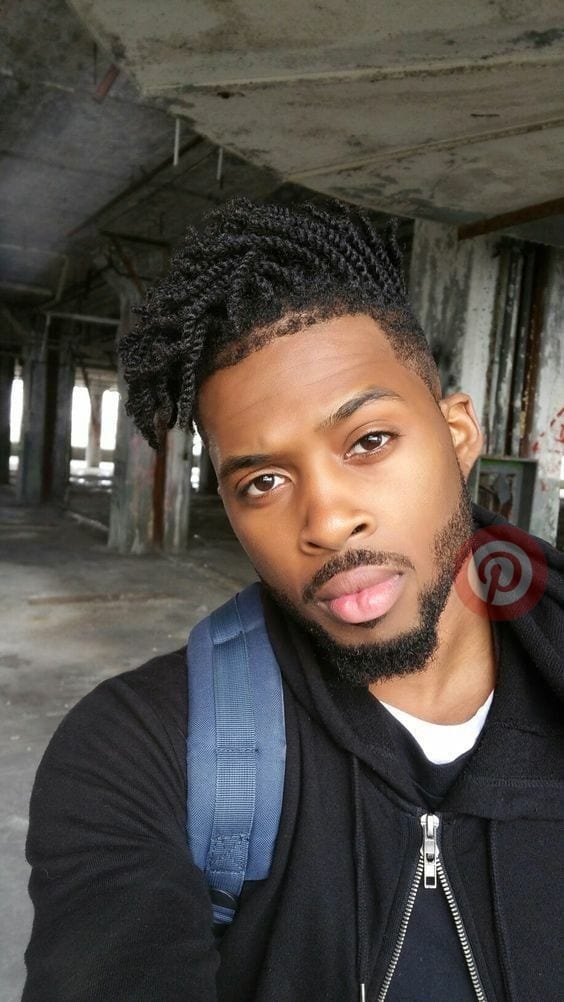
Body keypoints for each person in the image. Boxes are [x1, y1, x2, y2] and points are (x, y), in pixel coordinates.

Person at [23, 199, 563, 1001]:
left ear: (458, 437)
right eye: (263, 481)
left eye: (369, 441)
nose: (327, 521)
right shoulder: (139, 750)